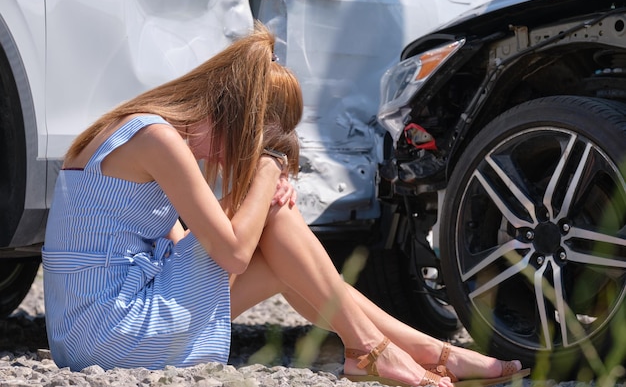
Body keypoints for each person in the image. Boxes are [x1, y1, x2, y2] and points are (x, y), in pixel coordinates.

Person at [42, 22, 530, 387]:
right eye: (254, 146)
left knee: (282, 258)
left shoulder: (143, 132)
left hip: (91, 329)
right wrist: (267, 176)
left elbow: (180, 251)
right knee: (275, 215)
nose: (234, 159)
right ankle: (377, 350)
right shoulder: (157, 138)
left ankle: (414, 350)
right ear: (234, 118)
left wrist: (254, 196)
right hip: (112, 331)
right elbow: (230, 254)